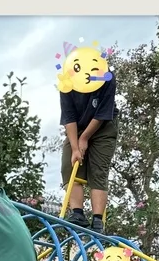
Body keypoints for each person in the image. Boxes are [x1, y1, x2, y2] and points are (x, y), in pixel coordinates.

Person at [59, 68, 118, 234]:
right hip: (77, 126)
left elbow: (102, 114)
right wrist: (76, 147)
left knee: (98, 170)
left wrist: (84, 138)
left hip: (104, 127)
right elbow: (68, 116)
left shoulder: (107, 78)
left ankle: (98, 220)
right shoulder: (66, 80)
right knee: (69, 165)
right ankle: (77, 214)